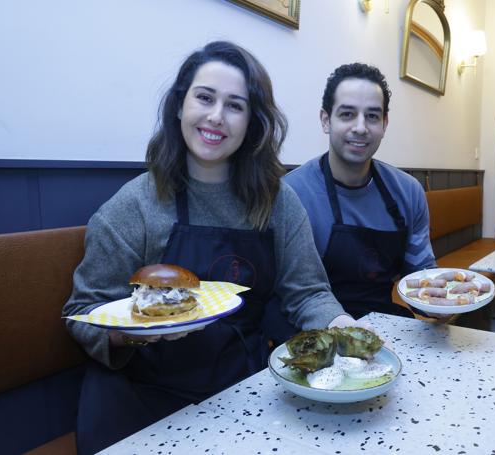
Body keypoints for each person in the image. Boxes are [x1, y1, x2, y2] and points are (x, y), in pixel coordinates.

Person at [62, 41, 356, 454]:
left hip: (240, 387)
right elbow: (82, 312)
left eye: (235, 105)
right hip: (139, 398)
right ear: (180, 106)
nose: (216, 117)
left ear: (252, 121)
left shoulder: (278, 201)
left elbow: (307, 291)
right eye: (204, 98)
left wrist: (344, 327)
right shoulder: (134, 205)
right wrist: (135, 334)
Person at [274, 62, 445, 331]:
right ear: (325, 120)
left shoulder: (408, 192)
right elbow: (290, 292)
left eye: (373, 116)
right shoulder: (292, 193)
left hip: (381, 327)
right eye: (347, 114)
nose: (361, 127)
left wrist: (438, 299)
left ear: (385, 124)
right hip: (307, 334)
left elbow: (419, 275)